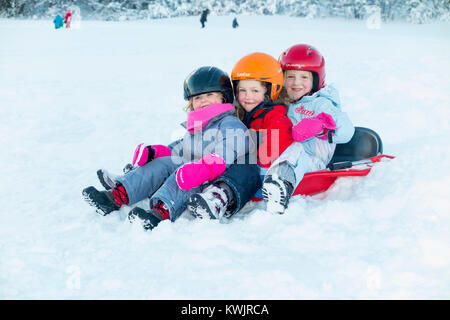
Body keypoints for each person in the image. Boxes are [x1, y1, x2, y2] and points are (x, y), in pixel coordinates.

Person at [82, 66, 254, 230]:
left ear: (223, 97)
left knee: (183, 175)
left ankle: (159, 213)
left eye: (209, 94)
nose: (203, 101)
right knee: (162, 163)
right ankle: (115, 196)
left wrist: (205, 168)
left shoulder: (230, 123)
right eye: (197, 98)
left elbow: (232, 147)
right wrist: (156, 152)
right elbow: (181, 147)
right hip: (189, 168)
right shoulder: (198, 126)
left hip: (210, 177)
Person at [186, 52, 295, 219]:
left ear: (270, 91)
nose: (247, 96)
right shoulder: (239, 114)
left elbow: (273, 147)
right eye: (242, 90)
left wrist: (253, 155)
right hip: (231, 168)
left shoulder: (275, 117)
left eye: (254, 90)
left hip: (256, 175)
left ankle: (218, 199)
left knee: (245, 163)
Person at [260, 43, 355, 214]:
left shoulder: (321, 104)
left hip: (311, 161)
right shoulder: (282, 102)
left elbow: (347, 129)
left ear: (316, 79)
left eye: (304, 77)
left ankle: (280, 185)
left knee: (295, 148)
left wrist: (320, 125)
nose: (296, 83)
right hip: (279, 157)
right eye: (290, 77)